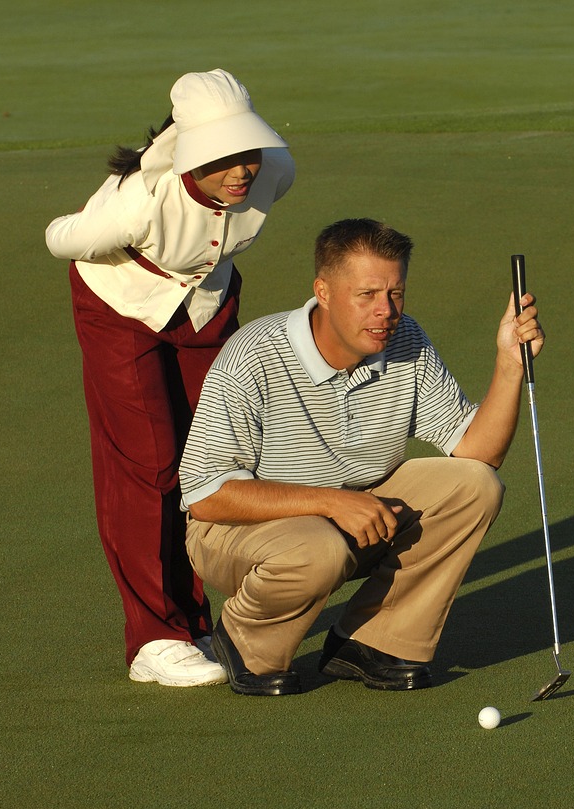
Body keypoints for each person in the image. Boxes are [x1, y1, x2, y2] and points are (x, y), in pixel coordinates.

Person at [177, 218, 545, 696]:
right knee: (318, 548)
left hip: (353, 513)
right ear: (324, 291)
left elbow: (478, 452)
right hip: (236, 531)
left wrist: (509, 365)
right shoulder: (254, 354)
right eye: (367, 294)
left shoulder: (406, 340)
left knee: (475, 486)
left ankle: (373, 641)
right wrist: (331, 503)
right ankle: (248, 640)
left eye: (396, 293)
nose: (385, 311)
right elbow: (206, 496)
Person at [45, 69, 295, 687]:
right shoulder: (140, 201)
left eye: (248, 153)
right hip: (120, 307)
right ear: (190, 154)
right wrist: (104, 206)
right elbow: (60, 240)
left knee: (209, 456)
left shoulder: (275, 172)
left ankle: (196, 621)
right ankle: (155, 638)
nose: (242, 171)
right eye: (224, 158)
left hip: (206, 306)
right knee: (148, 461)